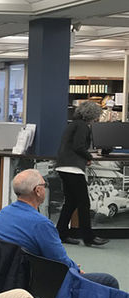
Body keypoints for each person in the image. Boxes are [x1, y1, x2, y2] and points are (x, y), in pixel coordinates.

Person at [0, 169, 119, 288]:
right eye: (44, 184)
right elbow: (61, 263)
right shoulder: (41, 224)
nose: (46, 188)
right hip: (40, 282)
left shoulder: (4, 213)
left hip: (8, 277)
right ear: (37, 191)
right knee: (109, 281)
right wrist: (75, 268)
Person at [56, 101, 108, 247]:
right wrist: (89, 157)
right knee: (84, 203)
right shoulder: (83, 126)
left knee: (71, 203)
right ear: (92, 114)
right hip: (73, 168)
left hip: (63, 166)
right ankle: (89, 238)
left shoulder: (73, 124)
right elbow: (79, 146)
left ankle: (61, 233)